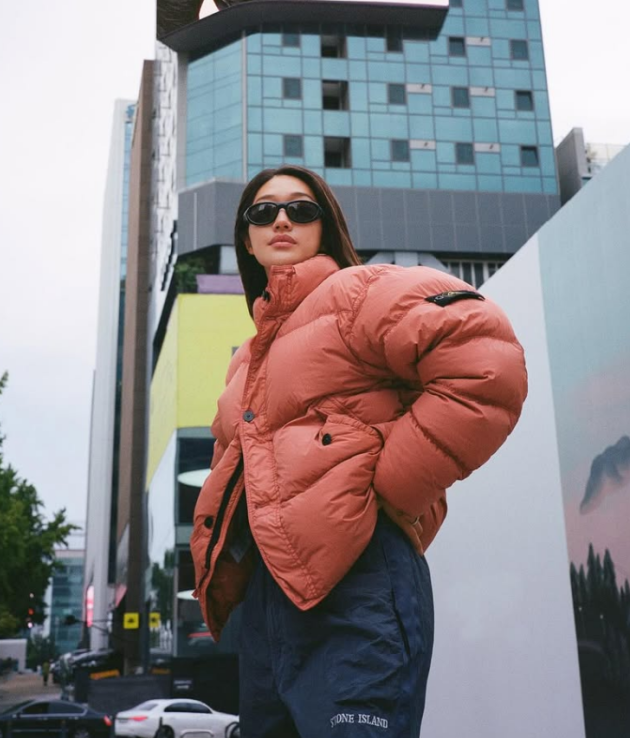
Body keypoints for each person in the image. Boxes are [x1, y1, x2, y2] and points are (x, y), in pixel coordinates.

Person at [190, 165, 528, 737]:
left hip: (358, 582)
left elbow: (485, 360)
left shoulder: (357, 292)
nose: (281, 220)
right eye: (263, 212)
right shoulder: (244, 361)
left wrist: (385, 488)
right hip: (267, 607)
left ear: (325, 225)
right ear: (246, 238)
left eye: (301, 209)